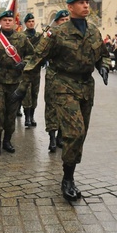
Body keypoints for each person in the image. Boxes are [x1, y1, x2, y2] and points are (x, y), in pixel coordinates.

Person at [12, 0, 111, 201]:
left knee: (81, 134)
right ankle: (67, 179)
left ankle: (70, 170)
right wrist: (22, 88)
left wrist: (103, 66)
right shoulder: (56, 34)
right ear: (70, 7)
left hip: (86, 86)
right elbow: (36, 59)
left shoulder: (94, 32)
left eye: (87, 2)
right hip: (63, 84)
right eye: (81, 3)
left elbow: (103, 55)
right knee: (74, 132)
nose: (86, 5)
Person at [0, 9, 35, 156]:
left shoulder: (22, 38)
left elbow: (32, 54)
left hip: (15, 81)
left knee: (11, 113)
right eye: (4, 20)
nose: (8, 22)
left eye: (10, 20)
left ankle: (7, 140)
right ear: (0, 22)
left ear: (14, 22)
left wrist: (25, 63)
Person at [44, 9, 70, 151]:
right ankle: (52, 138)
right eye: (62, 20)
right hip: (53, 77)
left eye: (67, 20)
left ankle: (61, 137)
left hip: (67, 79)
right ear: (57, 22)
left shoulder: (74, 36)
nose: (65, 23)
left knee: (65, 108)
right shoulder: (51, 36)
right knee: (51, 108)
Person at [21, 13, 42, 128]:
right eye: (29, 22)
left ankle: (32, 116)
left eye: (33, 21)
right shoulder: (22, 36)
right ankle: (27, 117)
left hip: (36, 69)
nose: (31, 23)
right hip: (26, 69)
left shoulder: (40, 36)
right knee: (26, 94)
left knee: (34, 93)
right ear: (25, 23)